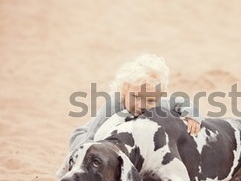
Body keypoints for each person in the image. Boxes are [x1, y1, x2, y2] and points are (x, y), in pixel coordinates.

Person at [68, 53, 201, 153]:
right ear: (124, 91)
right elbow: (91, 137)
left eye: (150, 100)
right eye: (135, 96)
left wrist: (192, 116)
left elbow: (180, 101)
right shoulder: (114, 104)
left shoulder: (160, 105)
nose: (141, 105)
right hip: (85, 137)